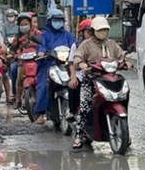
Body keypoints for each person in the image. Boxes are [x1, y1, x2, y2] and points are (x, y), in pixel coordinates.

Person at [72, 17, 127, 150]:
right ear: (93, 30)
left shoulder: (112, 44)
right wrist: (81, 63)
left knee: (123, 99)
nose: (102, 32)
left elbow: (121, 56)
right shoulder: (86, 44)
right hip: (91, 79)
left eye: (105, 30)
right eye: (100, 30)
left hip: (110, 78)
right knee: (84, 105)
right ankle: (78, 135)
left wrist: (126, 62)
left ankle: (125, 132)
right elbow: (77, 57)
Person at [34, 8, 75, 125]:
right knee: (43, 86)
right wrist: (41, 52)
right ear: (50, 21)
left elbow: (74, 45)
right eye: (55, 20)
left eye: (60, 20)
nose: (58, 22)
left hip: (66, 65)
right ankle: (41, 112)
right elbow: (41, 46)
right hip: (48, 64)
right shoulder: (45, 34)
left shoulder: (67, 34)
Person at [10, 12, 39, 106]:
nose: (24, 26)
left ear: (30, 24)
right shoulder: (17, 37)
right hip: (22, 61)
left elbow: (43, 44)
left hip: (36, 60)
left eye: (26, 24)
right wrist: (11, 54)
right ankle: (17, 98)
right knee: (16, 74)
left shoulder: (37, 33)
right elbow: (12, 49)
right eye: (22, 25)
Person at [67, 19, 93, 124]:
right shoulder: (76, 45)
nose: (90, 35)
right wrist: (73, 77)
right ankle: (72, 111)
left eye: (92, 32)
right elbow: (71, 63)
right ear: (82, 33)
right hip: (81, 73)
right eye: (88, 32)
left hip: (97, 73)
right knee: (74, 86)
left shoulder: (101, 44)